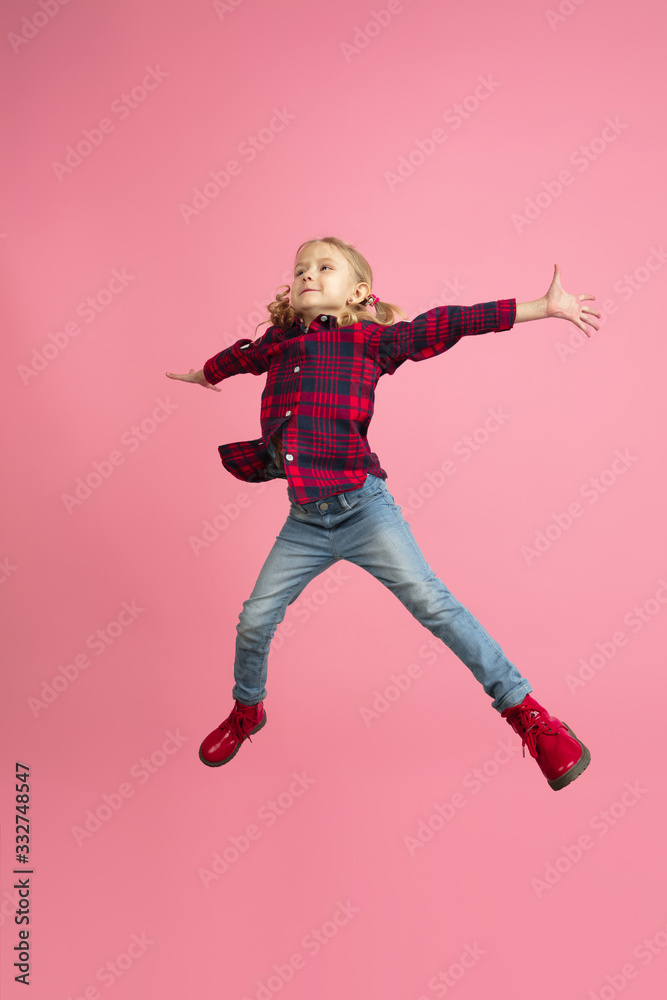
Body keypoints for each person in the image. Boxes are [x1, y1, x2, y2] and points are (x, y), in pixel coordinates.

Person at [166, 236, 600, 789]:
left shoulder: (372, 341)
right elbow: (241, 356)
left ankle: (532, 717)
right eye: (300, 268)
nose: (307, 274)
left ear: (359, 292)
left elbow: (451, 321)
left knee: (435, 606)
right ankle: (247, 710)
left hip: (363, 510)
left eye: (325, 267)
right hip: (305, 521)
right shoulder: (278, 344)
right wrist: (206, 373)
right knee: (254, 619)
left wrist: (539, 308)